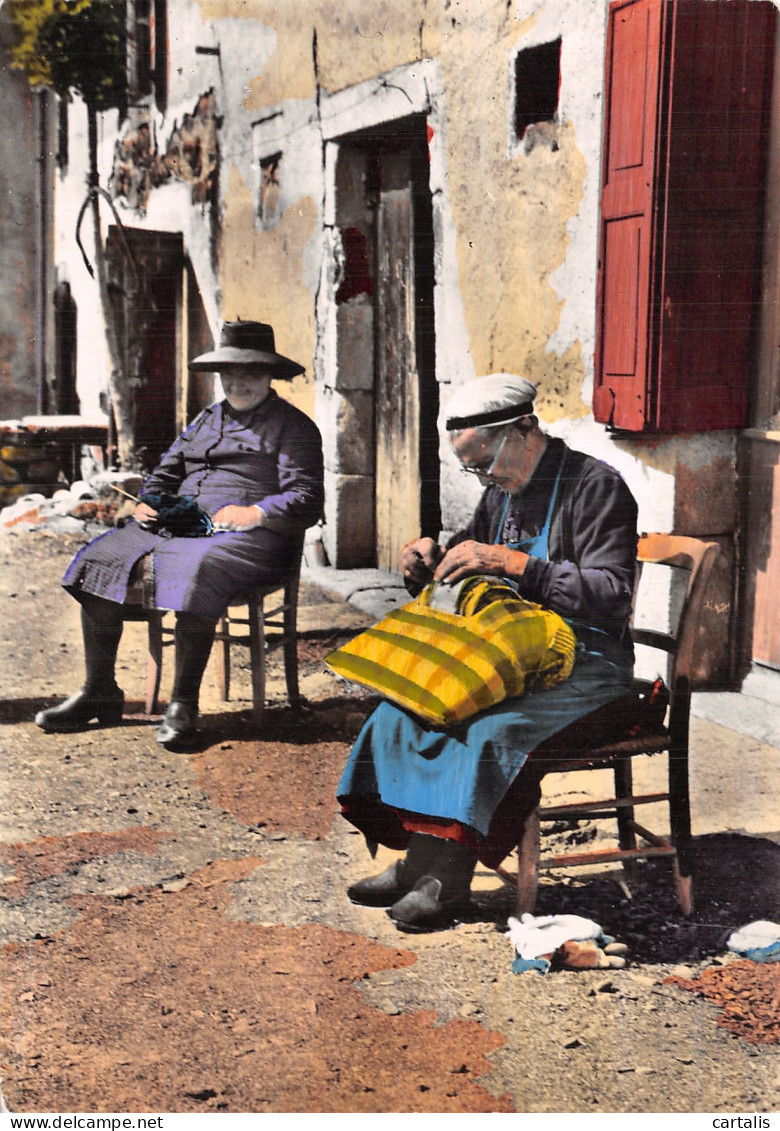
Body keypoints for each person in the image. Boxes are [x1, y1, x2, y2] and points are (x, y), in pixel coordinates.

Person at [338, 373, 639, 933]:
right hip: (509, 650)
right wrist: (427, 562)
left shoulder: (596, 486)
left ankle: (445, 881)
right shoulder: (502, 493)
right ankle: (416, 860)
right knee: (403, 711)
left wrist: (516, 564)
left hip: (591, 664)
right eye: (472, 469)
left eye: (487, 462)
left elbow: (614, 593)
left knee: (486, 730)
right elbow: (469, 564)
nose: (487, 477)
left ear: (526, 428)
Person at [36, 320, 324, 749]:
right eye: (230, 373)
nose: (239, 382)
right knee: (100, 558)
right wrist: (148, 500)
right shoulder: (206, 419)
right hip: (180, 526)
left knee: (196, 567)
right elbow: (165, 473)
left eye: (250, 373)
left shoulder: (293, 427)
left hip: (252, 541)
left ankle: (182, 704)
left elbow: (307, 496)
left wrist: (256, 511)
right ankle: (100, 689)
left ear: (269, 375)